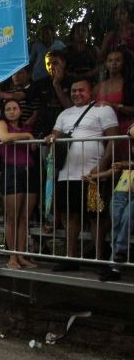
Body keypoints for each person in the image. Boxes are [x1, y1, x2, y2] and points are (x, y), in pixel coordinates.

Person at [45, 78, 119, 271]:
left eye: (81, 90)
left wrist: (103, 166)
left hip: (92, 173)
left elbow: (113, 139)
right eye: (73, 90)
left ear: (91, 91)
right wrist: (50, 138)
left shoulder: (103, 109)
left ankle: (99, 259)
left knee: (96, 216)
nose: (76, 93)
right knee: (70, 216)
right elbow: (55, 135)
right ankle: (70, 258)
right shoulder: (64, 113)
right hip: (66, 173)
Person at [0, 99, 39, 269]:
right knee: (12, 217)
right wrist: (27, 137)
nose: (12, 111)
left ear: (21, 111)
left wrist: (28, 135)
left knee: (24, 217)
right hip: (11, 170)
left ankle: (21, 255)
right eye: (8, 109)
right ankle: (12, 256)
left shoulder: (27, 127)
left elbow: (34, 148)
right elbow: (4, 137)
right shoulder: (2, 124)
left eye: (15, 108)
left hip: (29, 170)